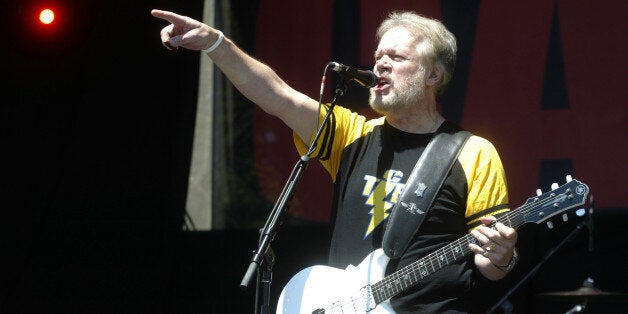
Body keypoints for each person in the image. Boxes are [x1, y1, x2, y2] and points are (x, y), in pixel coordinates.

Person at [152, 8, 519, 313]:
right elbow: (276, 95)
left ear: (433, 75)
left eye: (397, 57)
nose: (381, 65)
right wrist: (216, 43)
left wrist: (501, 258)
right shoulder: (352, 133)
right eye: (378, 57)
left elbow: (492, 264)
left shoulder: (473, 153)